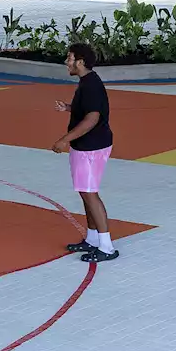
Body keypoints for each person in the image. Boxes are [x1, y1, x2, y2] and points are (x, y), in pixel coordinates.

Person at [53, 42, 118, 263]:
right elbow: (89, 108)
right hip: (86, 146)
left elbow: (92, 118)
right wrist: (69, 108)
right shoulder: (87, 81)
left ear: (80, 62)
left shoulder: (90, 85)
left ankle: (107, 247)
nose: (67, 62)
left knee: (90, 194)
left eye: (70, 58)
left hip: (91, 147)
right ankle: (92, 239)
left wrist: (64, 140)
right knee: (85, 191)